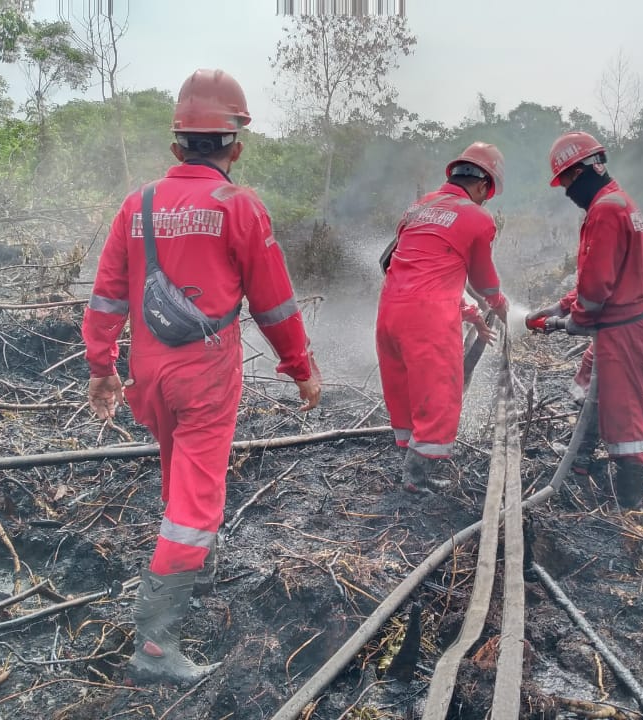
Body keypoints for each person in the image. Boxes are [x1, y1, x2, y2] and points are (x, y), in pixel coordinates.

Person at [82, 68, 320, 685]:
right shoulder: (238, 207)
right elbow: (274, 304)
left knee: (178, 477)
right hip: (205, 375)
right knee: (195, 504)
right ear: (235, 147)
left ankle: (193, 564)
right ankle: (155, 643)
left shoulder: (137, 204)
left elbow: (107, 295)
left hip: (148, 372)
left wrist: (102, 368)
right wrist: (300, 368)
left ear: (176, 145)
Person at [526, 131, 643, 510]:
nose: (568, 191)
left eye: (568, 181)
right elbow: (597, 277)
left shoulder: (605, 211)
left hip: (624, 328)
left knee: (623, 410)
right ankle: (580, 459)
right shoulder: (615, 202)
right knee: (588, 386)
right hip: (621, 322)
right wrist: (560, 308)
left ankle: (631, 494)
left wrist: (575, 319)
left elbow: (598, 284)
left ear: (584, 170)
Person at [376, 142, 509, 491]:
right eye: (486, 195)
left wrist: (471, 313)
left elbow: (413, 269)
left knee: (405, 387)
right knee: (439, 391)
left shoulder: (418, 208)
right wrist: (497, 302)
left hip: (389, 310)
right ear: (483, 185)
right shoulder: (477, 217)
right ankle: (416, 477)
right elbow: (482, 278)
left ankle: (409, 458)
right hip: (427, 320)